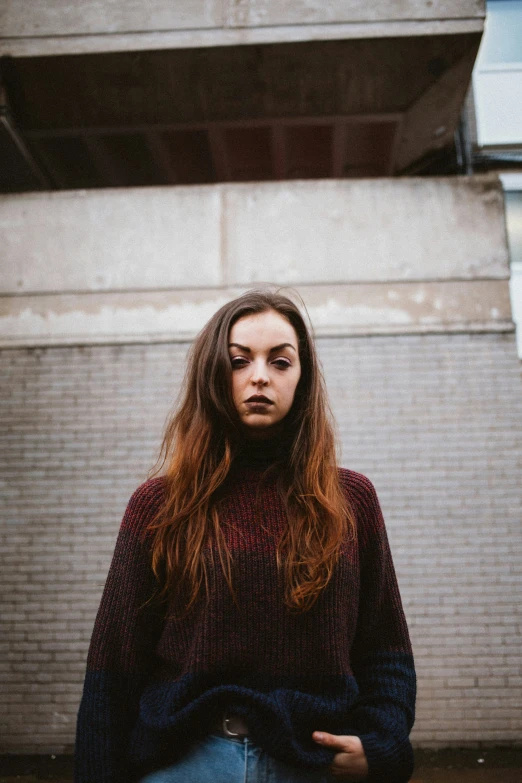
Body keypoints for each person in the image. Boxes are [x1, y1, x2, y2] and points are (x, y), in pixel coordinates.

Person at [75, 289, 416, 783]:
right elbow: (113, 669)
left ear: (302, 378)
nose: (259, 376)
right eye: (239, 361)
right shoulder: (158, 506)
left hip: (314, 764)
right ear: (214, 373)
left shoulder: (352, 500)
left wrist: (382, 746)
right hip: (187, 763)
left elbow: (385, 650)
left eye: (281, 361)